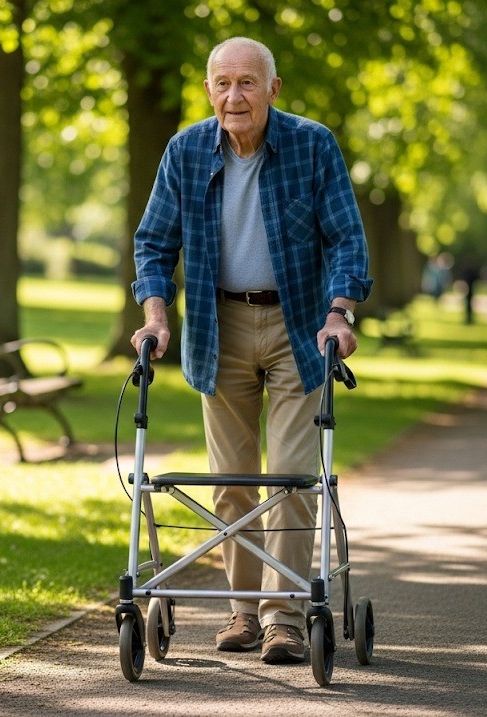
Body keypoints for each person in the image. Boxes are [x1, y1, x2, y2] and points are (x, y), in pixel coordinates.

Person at [129, 37, 372, 665]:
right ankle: (242, 611)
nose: (233, 96)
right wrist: (156, 316)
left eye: (246, 83)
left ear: (273, 88)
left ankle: (284, 619)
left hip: (299, 328)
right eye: (221, 83)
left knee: (291, 479)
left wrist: (339, 313)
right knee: (232, 483)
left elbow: (347, 237)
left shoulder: (312, 144)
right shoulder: (184, 152)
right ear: (209, 88)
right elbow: (153, 243)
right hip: (218, 326)